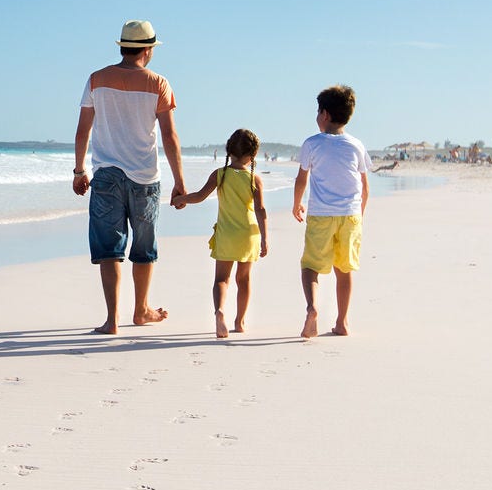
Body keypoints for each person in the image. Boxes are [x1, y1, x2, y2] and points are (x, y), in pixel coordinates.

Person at [73, 20, 187, 335]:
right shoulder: (159, 83)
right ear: (148, 50)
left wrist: (80, 169)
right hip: (145, 176)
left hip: (106, 175)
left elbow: (84, 129)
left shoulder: (97, 79)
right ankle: (141, 310)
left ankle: (112, 320)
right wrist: (179, 180)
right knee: (144, 245)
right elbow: (170, 136)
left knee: (109, 247)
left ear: (123, 47)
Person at [290, 85, 371, 338]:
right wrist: (359, 214)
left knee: (310, 267)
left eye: (317, 111)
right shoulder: (356, 145)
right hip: (350, 215)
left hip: (321, 214)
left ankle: (313, 307)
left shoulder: (312, 144)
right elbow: (364, 186)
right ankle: (342, 322)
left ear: (324, 114)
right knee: (344, 270)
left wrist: (296, 203)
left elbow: (301, 178)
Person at [174, 128, 268, 339]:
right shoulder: (254, 179)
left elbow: (199, 196)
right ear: (253, 155)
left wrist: (182, 199)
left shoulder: (220, 174)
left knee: (221, 279)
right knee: (243, 279)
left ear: (229, 150)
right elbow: (261, 211)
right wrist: (265, 238)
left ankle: (219, 312)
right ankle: (240, 322)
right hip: (248, 235)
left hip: (226, 234)